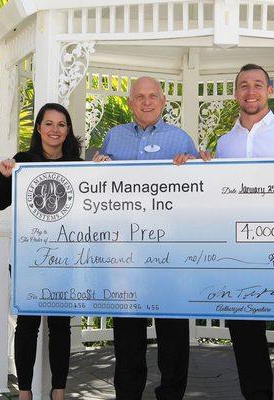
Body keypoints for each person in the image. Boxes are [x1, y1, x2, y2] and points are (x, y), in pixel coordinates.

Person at [175, 64, 274, 400]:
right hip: (240, 253)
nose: (251, 92)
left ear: (269, 91)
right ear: (236, 93)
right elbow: (218, 195)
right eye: (244, 86)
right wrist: (202, 168)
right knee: (246, 336)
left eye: (258, 85)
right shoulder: (225, 143)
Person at [93, 76, 198, 400]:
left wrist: (196, 168)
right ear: (130, 103)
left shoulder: (180, 140)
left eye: (153, 96)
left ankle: (171, 395)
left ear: (164, 102)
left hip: (169, 256)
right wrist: (95, 168)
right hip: (125, 256)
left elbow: (200, 194)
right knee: (127, 337)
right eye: (140, 96)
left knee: (173, 338)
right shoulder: (113, 138)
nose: (147, 102)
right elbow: (100, 190)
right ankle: (128, 395)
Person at [0, 103, 82, 400]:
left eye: (61, 124)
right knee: (28, 325)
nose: (55, 130)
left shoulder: (76, 165)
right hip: (30, 256)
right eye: (48, 123)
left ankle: (58, 390)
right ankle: (25, 391)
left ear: (68, 130)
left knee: (60, 328)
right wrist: (5, 176)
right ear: (39, 128)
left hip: (65, 257)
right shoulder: (23, 161)